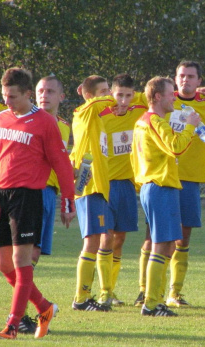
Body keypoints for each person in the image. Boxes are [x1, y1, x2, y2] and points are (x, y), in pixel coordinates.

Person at [0, 67, 76, 339]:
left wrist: (68, 201)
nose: (7, 101)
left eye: (12, 96)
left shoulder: (45, 122)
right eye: (4, 95)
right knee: (4, 265)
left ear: (27, 94)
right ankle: (44, 307)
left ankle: (13, 325)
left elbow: (61, 164)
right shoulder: (0, 118)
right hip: (0, 195)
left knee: (22, 262)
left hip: (28, 197)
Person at [134, 60, 205, 308]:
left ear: (199, 81)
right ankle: (146, 293)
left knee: (181, 239)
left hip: (189, 179)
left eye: (190, 76)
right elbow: (125, 99)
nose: (185, 80)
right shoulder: (162, 99)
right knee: (153, 237)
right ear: (175, 79)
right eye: (181, 75)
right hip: (161, 179)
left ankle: (174, 293)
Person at [131, 76, 199, 316]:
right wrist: (191, 125)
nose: (175, 97)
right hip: (159, 187)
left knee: (168, 244)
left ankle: (156, 299)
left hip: (157, 186)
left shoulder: (143, 122)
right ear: (158, 96)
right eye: (171, 93)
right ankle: (151, 303)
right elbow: (176, 147)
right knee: (160, 246)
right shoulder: (154, 121)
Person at [91, 74, 147, 306]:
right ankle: (104, 291)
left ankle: (111, 291)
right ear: (111, 94)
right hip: (106, 184)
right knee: (106, 237)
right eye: (118, 95)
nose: (123, 100)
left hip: (127, 185)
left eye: (128, 95)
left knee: (120, 238)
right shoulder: (100, 115)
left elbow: (161, 94)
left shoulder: (139, 109)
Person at [70, 75, 114, 312]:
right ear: (88, 94)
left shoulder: (95, 118)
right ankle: (81, 298)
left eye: (109, 90)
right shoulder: (85, 111)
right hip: (90, 185)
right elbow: (101, 103)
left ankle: (91, 295)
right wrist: (113, 98)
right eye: (103, 91)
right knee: (91, 242)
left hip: (96, 186)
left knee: (99, 238)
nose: (108, 95)